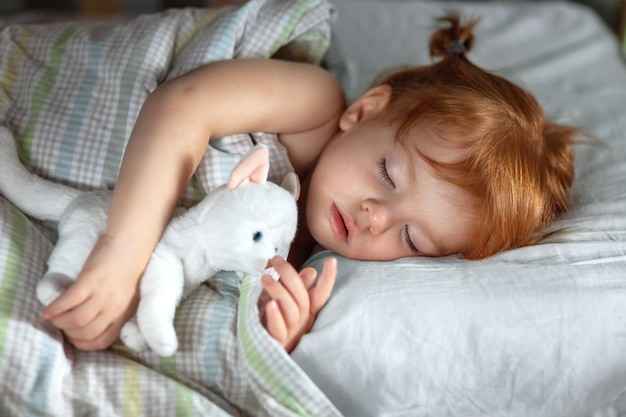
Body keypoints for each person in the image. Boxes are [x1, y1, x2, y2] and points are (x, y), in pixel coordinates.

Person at [40, 16, 577, 353]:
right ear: (365, 112)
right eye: (388, 175)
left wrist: (283, 335)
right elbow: (183, 106)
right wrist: (122, 253)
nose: (376, 217)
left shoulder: (306, 257)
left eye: (411, 239)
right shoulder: (314, 106)